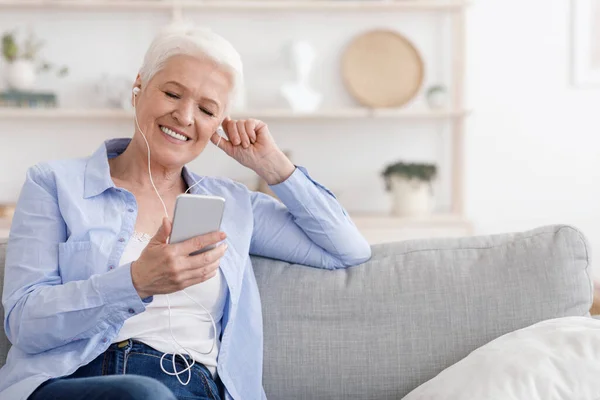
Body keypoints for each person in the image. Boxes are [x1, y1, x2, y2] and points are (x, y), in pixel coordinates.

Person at [0, 24, 371, 400]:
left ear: (217, 125)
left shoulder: (234, 206)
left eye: (207, 109)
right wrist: (136, 281)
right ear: (139, 87)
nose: (185, 116)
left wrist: (274, 167)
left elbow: (348, 249)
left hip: (194, 388)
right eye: (172, 93)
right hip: (77, 383)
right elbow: (24, 322)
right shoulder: (54, 184)